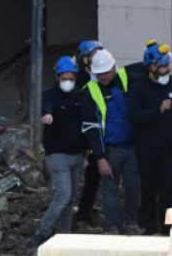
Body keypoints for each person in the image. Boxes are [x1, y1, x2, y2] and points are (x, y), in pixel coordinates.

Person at [126, 40, 172, 235]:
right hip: (147, 149)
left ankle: (168, 227)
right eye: (164, 65)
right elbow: (134, 116)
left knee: (168, 190)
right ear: (152, 67)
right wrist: (158, 110)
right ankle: (149, 226)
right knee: (148, 189)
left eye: (168, 65)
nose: (168, 69)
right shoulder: (139, 87)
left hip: (169, 149)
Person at [80, 49, 141, 235]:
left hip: (131, 146)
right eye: (99, 74)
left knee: (133, 187)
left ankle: (130, 223)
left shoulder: (123, 77)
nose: (103, 77)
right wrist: (99, 157)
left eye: (106, 72)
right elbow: (91, 128)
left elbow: (146, 68)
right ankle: (113, 227)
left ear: (114, 67)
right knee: (110, 190)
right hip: (109, 150)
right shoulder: (89, 91)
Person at [31, 56, 86, 248]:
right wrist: (46, 115)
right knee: (63, 195)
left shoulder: (80, 96)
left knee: (70, 198)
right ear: (57, 78)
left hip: (77, 156)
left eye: (71, 78)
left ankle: (64, 234)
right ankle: (43, 232)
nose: (68, 82)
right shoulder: (51, 96)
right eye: (64, 78)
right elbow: (46, 108)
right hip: (58, 156)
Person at [73, 39, 103, 226]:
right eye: (92, 56)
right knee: (71, 181)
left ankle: (84, 212)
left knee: (93, 178)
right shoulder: (76, 80)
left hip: (93, 134)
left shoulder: (100, 77)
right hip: (77, 136)